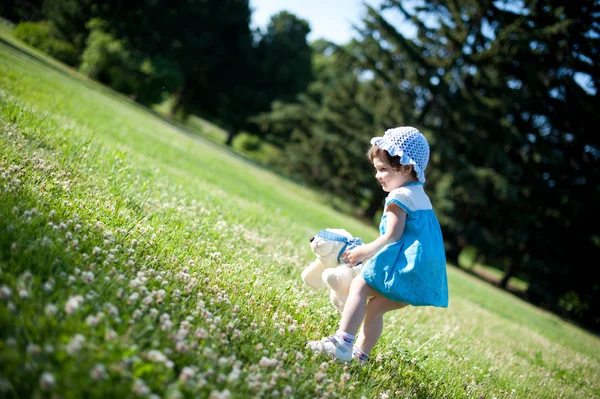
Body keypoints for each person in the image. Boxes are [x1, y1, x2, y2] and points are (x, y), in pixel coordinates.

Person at [306, 126, 448, 364]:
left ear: (405, 166)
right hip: (421, 277)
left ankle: (342, 343)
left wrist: (365, 251)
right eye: (377, 169)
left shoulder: (398, 197)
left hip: (404, 271)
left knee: (359, 287)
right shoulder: (421, 196)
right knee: (375, 308)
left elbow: (392, 236)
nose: (377, 175)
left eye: (382, 169)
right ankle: (360, 356)